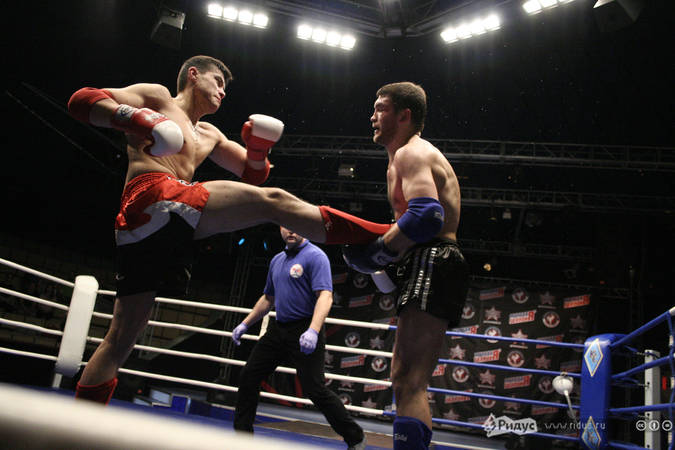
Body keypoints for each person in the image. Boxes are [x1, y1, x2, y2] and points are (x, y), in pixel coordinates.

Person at [66, 55, 391, 404]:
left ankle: (79, 426)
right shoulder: (158, 98)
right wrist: (141, 120)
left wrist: (257, 149)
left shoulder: (209, 133)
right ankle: (382, 234)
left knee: (120, 339)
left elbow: (252, 173)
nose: (223, 91)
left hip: (156, 228)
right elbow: (82, 100)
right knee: (274, 201)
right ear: (193, 75)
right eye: (218, 81)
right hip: (150, 194)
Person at [342, 82, 469, 449]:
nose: (373, 116)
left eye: (380, 108)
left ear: (404, 115)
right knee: (404, 378)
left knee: (409, 380)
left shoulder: (412, 154)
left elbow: (427, 217)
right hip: (425, 259)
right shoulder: (400, 157)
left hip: (434, 256)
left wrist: (379, 252)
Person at [231, 227, 366, 449]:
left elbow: (325, 295)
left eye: (296, 225)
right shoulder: (277, 260)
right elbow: (268, 298)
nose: (290, 230)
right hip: (278, 328)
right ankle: (242, 437)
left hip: (305, 328)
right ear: (280, 229)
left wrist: (313, 330)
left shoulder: (315, 256)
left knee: (315, 390)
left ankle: (356, 437)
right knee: (249, 375)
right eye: (285, 225)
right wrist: (245, 323)